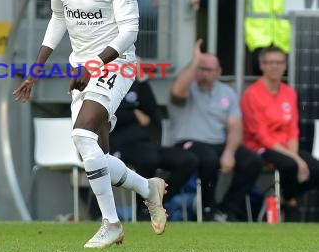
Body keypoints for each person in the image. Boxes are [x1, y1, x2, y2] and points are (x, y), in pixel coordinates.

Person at [13, 0, 167, 248]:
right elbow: (57, 19)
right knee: (95, 154)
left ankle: (111, 223)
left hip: (116, 64)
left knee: (82, 135)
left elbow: (129, 31)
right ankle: (148, 188)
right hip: (81, 67)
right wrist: (36, 68)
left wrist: (95, 65)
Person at [168, 39, 263, 221]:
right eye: (200, 69)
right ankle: (207, 209)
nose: (203, 73)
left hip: (218, 144)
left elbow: (235, 126)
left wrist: (229, 152)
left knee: (253, 161)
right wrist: (195, 60)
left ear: (219, 72)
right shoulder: (187, 87)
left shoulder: (227, 92)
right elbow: (177, 92)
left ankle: (227, 209)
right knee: (209, 159)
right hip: (188, 143)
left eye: (208, 69)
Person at [240, 46, 319, 221]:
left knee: (315, 168)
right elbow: (261, 135)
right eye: (270, 62)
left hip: (286, 149)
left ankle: (282, 196)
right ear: (262, 65)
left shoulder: (289, 93)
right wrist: (296, 159)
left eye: (279, 62)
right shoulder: (252, 94)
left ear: (285, 66)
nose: (275, 66)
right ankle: (290, 203)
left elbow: (292, 129)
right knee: (290, 165)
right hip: (260, 148)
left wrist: (295, 155)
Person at [110, 57, 198, 207]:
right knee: (149, 159)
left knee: (189, 160)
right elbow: (108, 114)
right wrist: (135, 114)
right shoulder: (106, 83)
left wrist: (142, 78)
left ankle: (157, 202)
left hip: (146, 144)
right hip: (119, 146)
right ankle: (143, 209)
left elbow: (151, 110)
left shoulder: (136, 84)